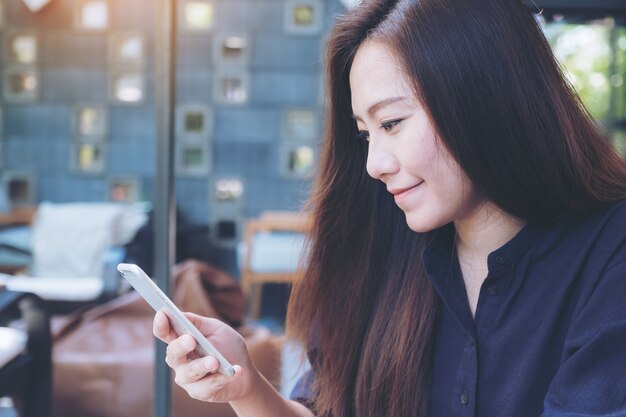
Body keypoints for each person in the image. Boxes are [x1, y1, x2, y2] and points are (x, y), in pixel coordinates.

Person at [153, 0, 626, 416]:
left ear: (485, 97)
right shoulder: (380, 254)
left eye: (392, 122)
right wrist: (246, 385)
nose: (373, 165)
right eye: (365, 134)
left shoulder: (610, 254)